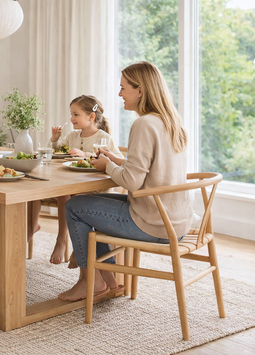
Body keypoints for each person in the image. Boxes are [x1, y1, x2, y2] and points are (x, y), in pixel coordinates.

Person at [58, 61, 192, 302]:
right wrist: (117, 159)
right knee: (89, 203)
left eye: (123, 88)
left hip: (153, 223)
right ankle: (109, 279)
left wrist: (106, 165)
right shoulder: (170, 120)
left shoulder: (144, 123)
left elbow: (131, 182)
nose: (119, 94)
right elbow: (151, 169)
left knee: (74, 207)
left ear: (140, 90)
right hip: (177, 221)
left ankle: (90, 281)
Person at [28, 95, 122, 265]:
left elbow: (118, 159)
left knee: (67, 193)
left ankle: (66, 243)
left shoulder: (103, 138)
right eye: (71, 114)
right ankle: (33, 226)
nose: (71, 118)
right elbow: (54, 152)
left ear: (91, 117)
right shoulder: (72, 136)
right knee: (36, 184)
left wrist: (85, 154)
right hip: (70, 183)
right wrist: (55, 139)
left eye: (76, 114)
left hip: (93, 188)